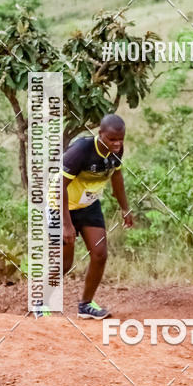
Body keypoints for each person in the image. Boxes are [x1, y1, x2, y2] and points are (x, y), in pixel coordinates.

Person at [60, 114, 133, 319]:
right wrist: (66, 225)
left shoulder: (116, 150)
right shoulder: (81, 150)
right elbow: (59, 186)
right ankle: (41, 300)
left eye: (121, 139)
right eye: (112, 139)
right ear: (101, 135)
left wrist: (124, 208)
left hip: (88, 205)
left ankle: (85, 305)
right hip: (63, 206)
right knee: (65, 263)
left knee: (100, 254)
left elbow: (116, 176)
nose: (117, 143)